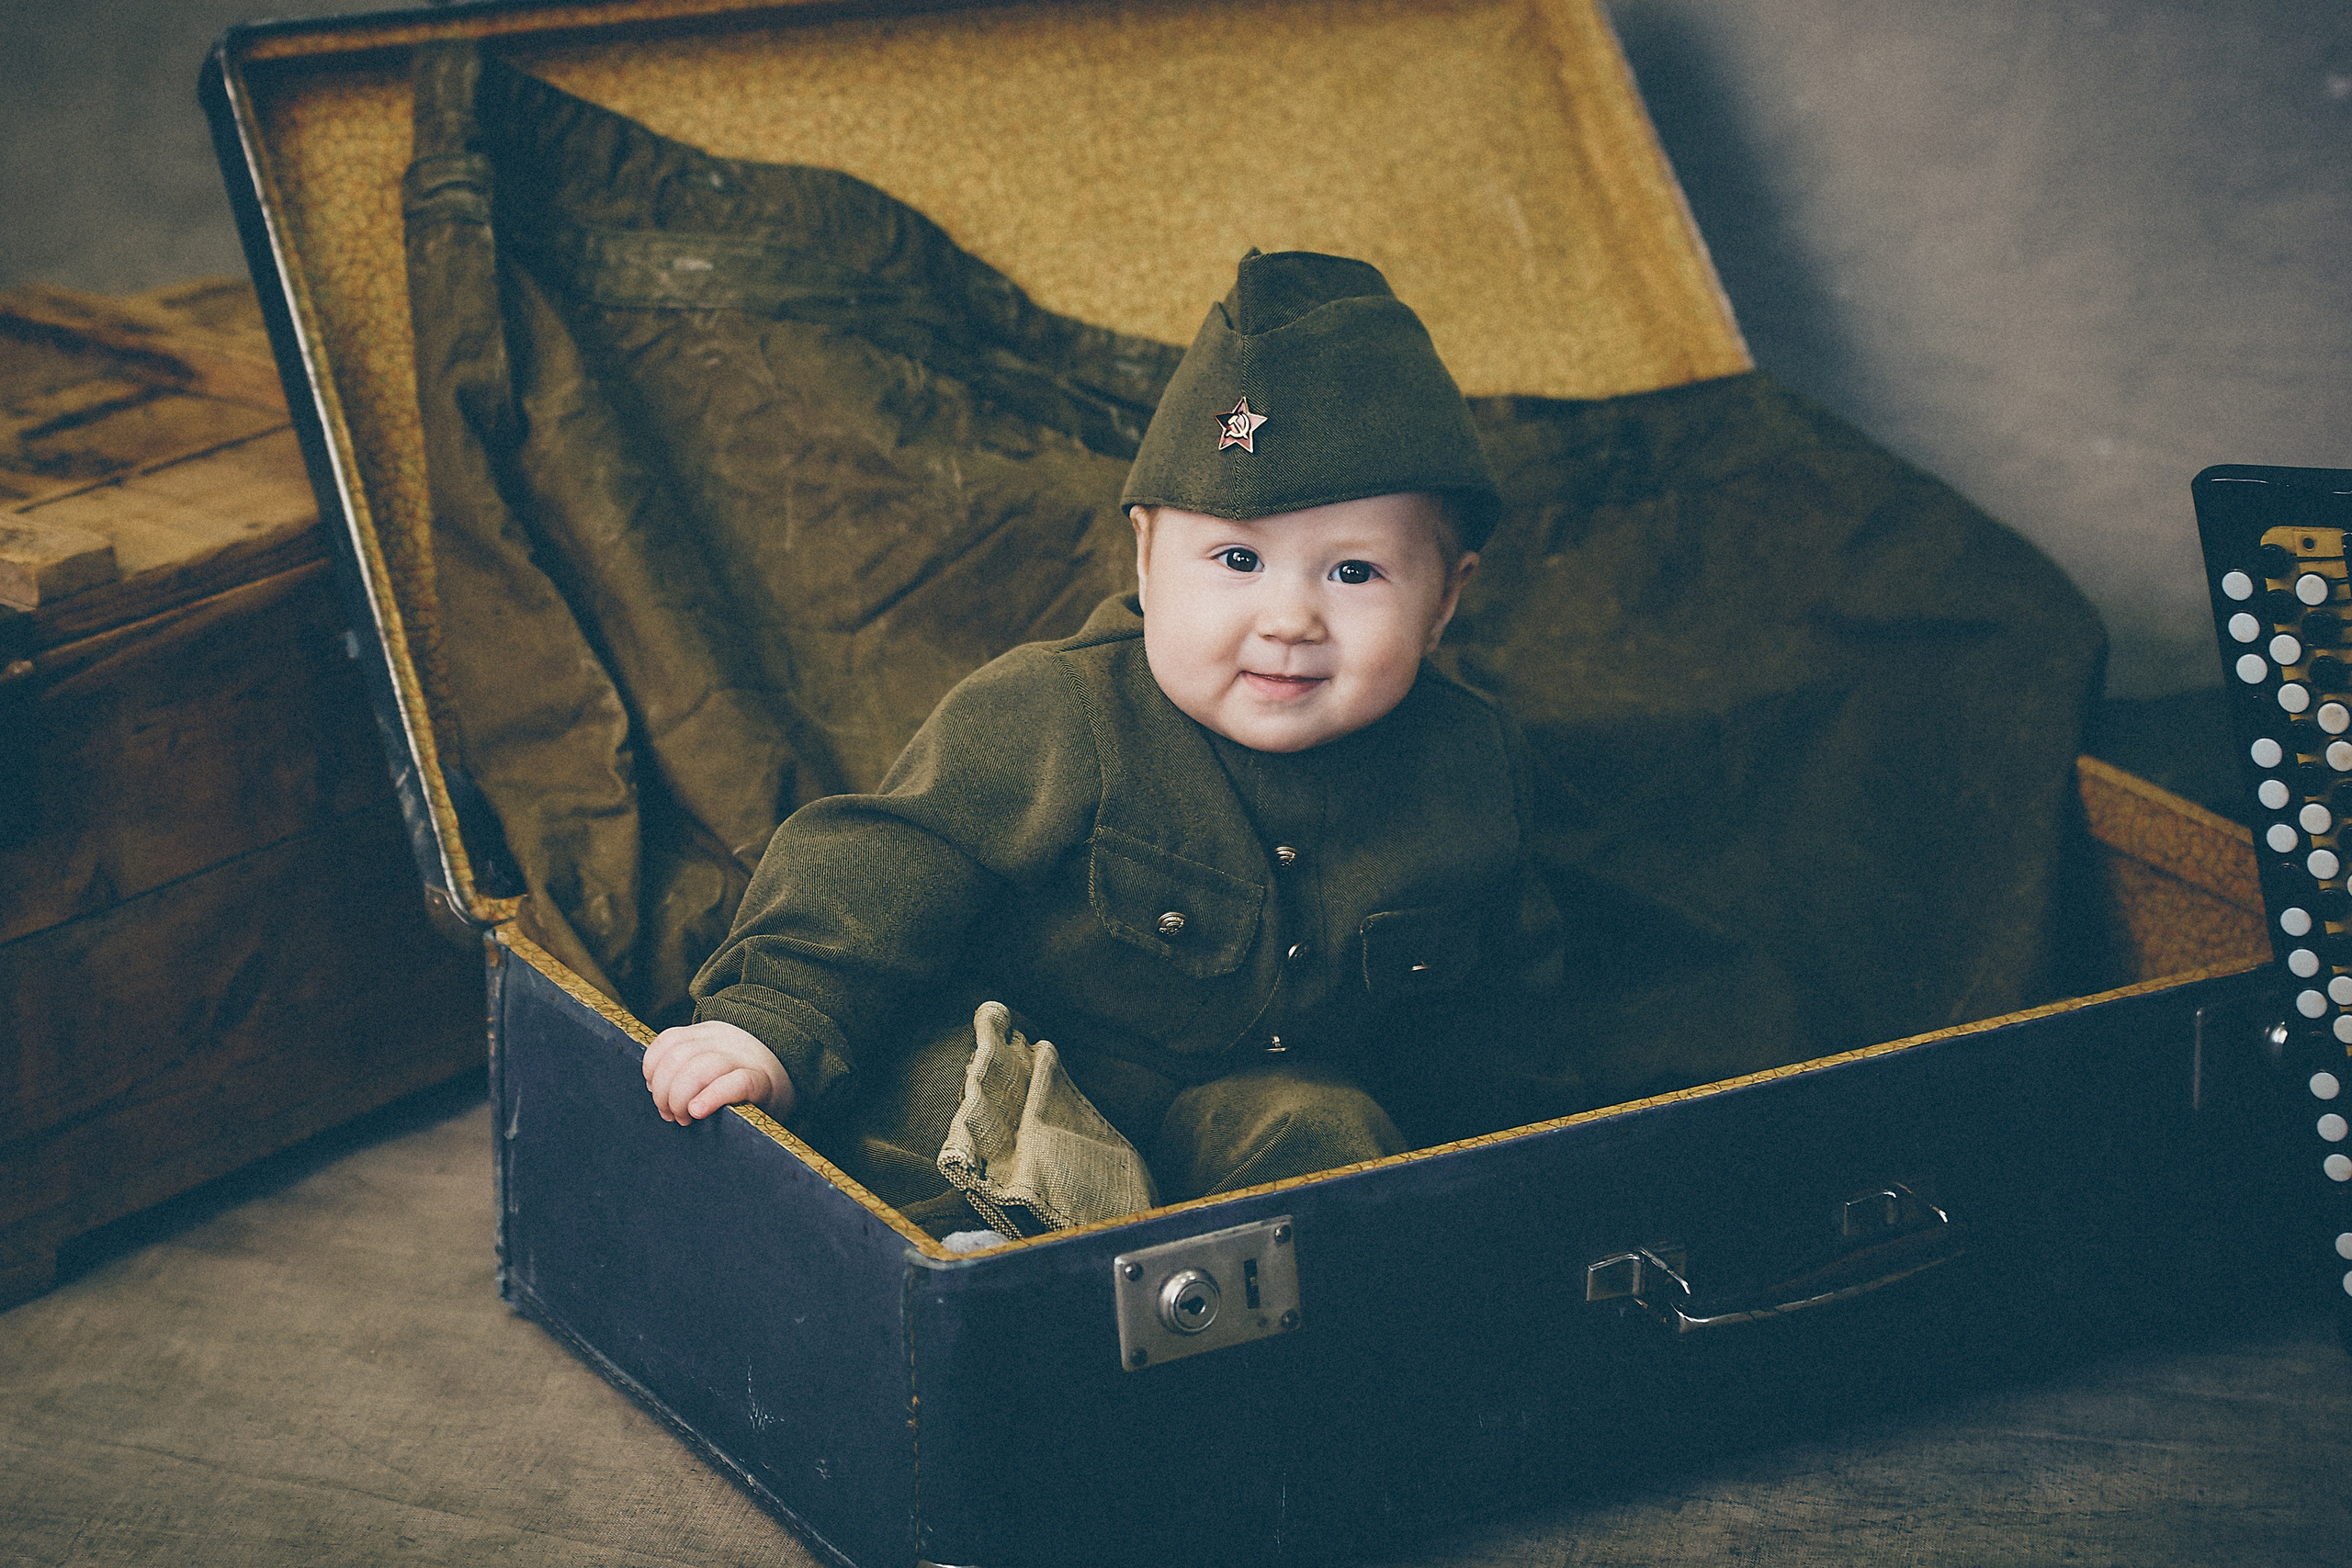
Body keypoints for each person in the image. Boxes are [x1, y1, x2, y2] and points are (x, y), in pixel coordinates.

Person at [640, 249, 1571, 1235]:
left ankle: (1305, 1300)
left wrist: (1505, 1161)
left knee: (1328, 1130)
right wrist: (769, 1027)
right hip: (1036, 1060)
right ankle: (997, 1263)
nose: (1289, 618)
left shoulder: (1469, 770)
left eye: (1354, 575)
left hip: (1245, 1100)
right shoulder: (1056, 708)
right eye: (1238, 558)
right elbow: (878, 874)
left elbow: (1503, 1007)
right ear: (1145, 553)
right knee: (941, 1090)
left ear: (1445, 598)